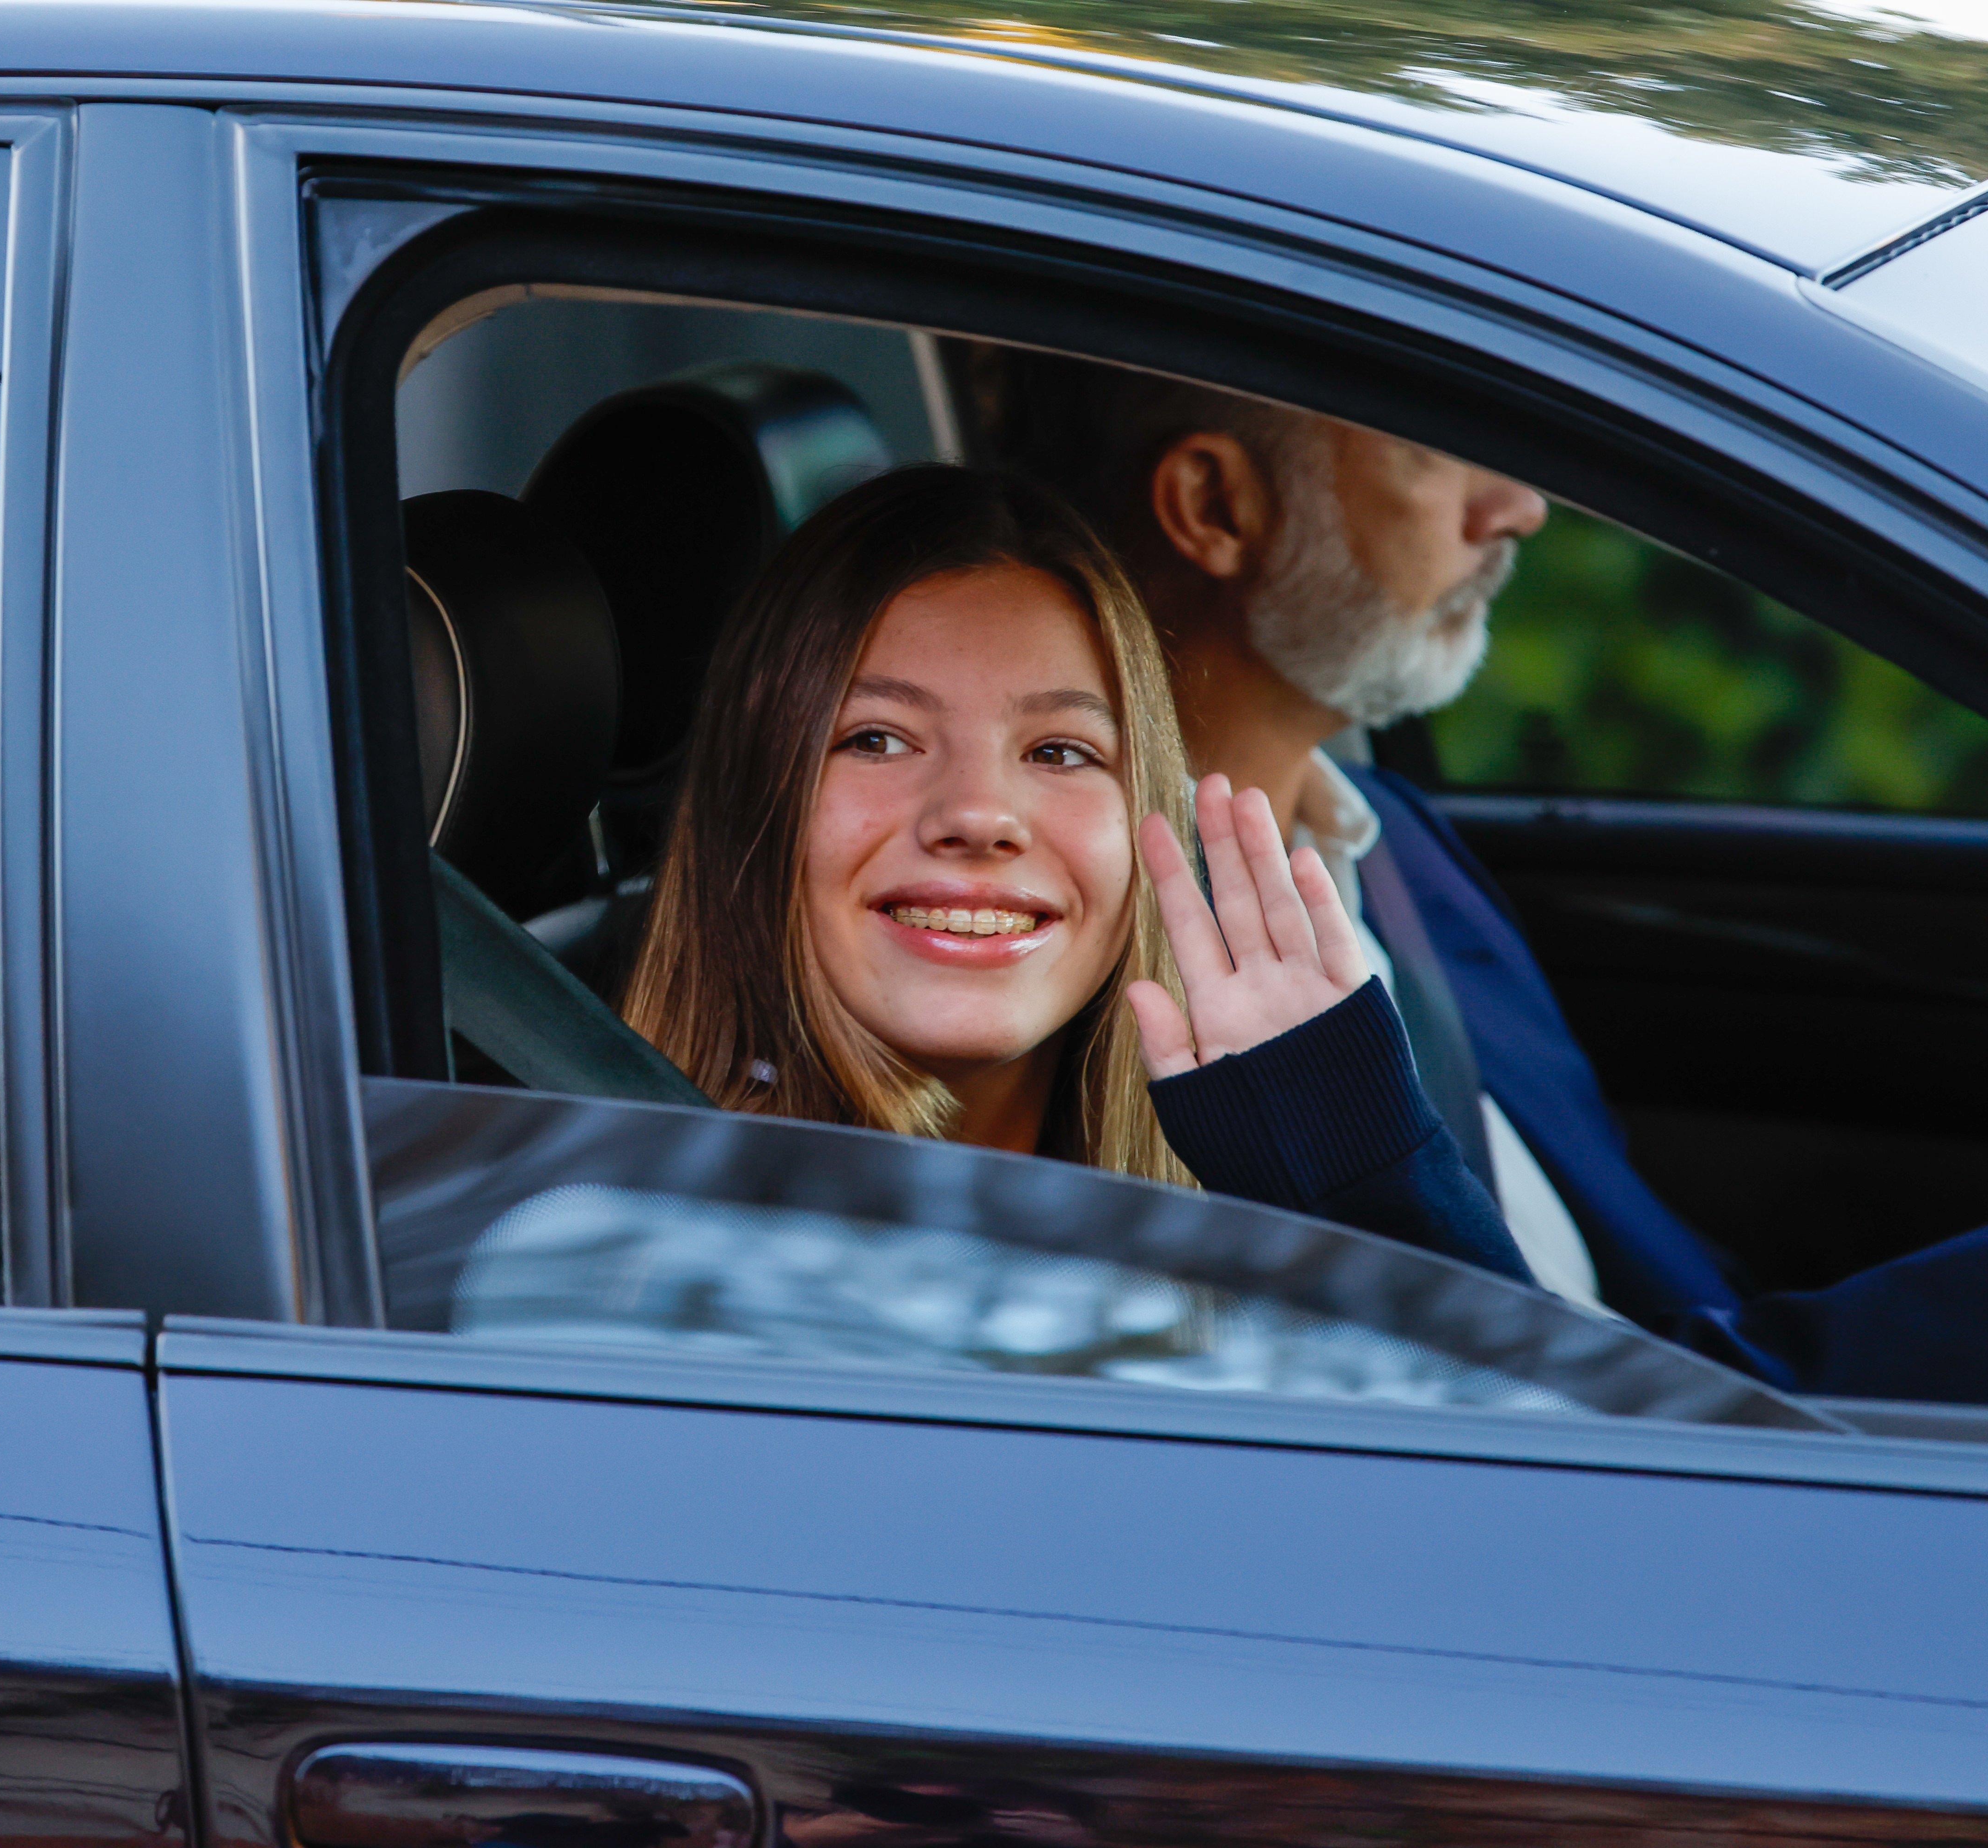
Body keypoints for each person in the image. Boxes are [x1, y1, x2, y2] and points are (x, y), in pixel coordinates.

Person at [971, 346, 1988, 1416]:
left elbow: (1641, 1338)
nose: (1518, 505)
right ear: (1216, 507)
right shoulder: (1106, 999)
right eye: (1431, 444)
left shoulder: (1395, 841)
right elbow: (1582, 1428)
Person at [618, 464, 1531, 1283]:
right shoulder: (631, 1262)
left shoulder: (1211, 1234)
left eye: (1059, 751)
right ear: (756, 798)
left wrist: (1353, 1175)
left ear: (1146, 816)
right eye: (875, 738)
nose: (978, 815)